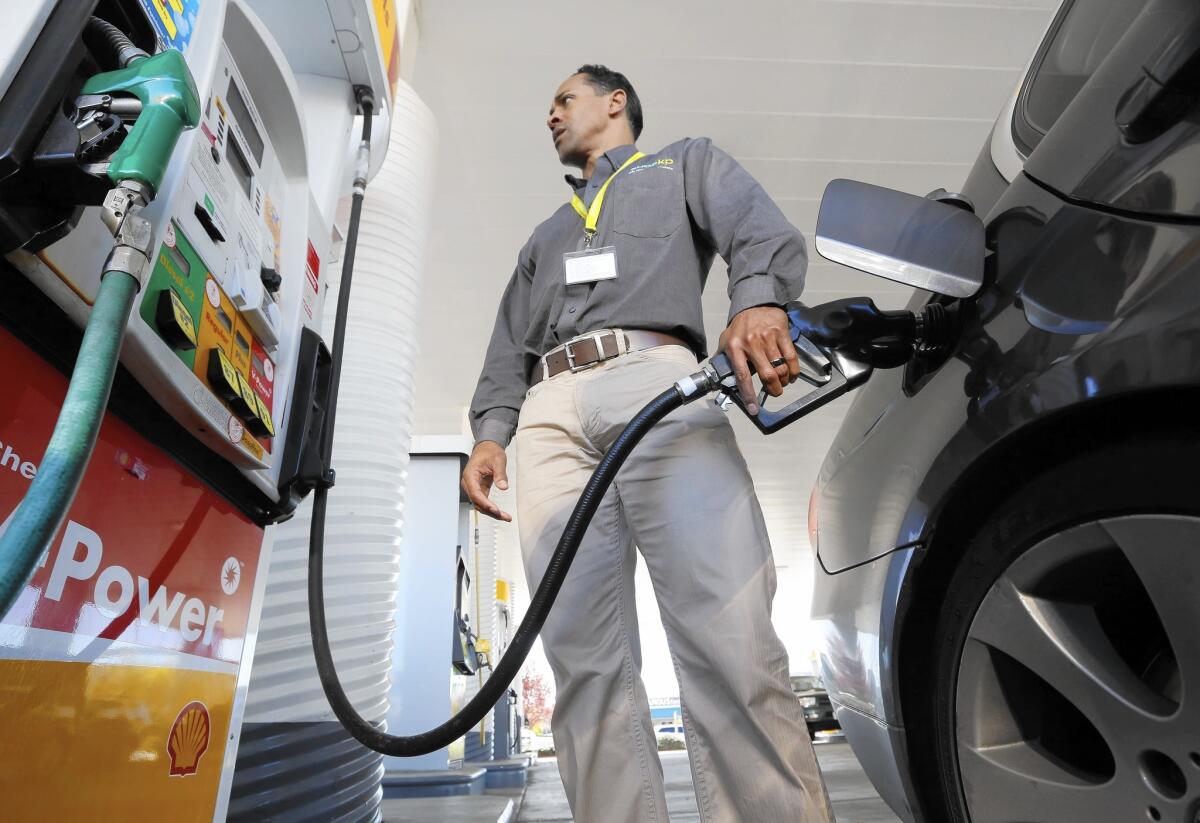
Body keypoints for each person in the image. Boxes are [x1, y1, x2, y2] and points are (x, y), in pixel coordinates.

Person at [462, 64, 833, 823]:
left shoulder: (683, 164)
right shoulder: (545, 237)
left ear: (614, 102)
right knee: (582, 661)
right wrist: (492, 433)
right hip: (550, 411)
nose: (551, 116)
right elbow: (507, 346)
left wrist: (758, 301)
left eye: (563, 100)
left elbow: (759, 231)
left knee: (726, 629)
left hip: (660, 381)